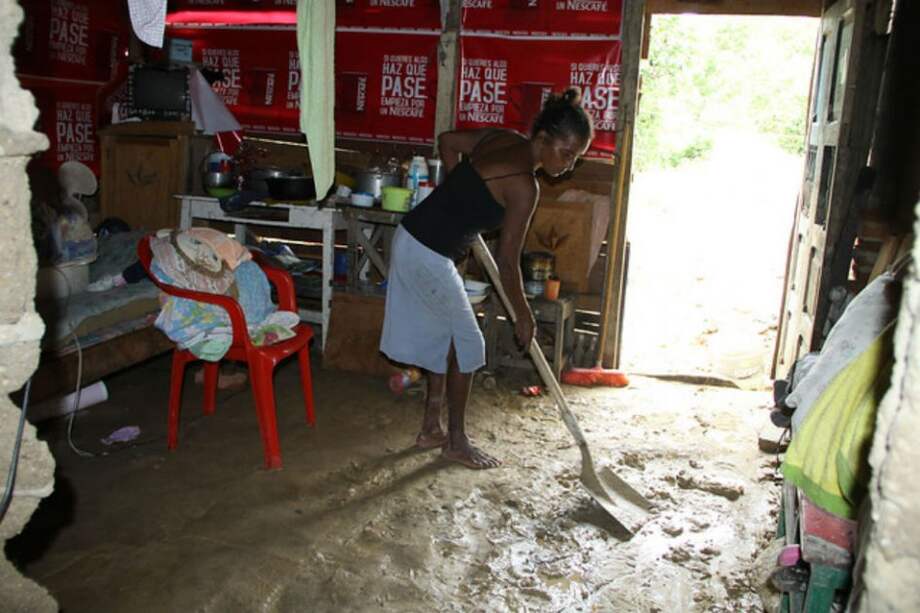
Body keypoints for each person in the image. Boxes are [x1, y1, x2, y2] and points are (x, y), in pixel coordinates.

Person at [379, 88, 593, 469]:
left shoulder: (502, 137)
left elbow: (448, 143)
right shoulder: (525, 187)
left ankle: (432, 427)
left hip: (412, 238)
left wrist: (454, 197)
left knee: (445, 337)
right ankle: (456, 441)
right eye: (565, 152)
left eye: (575, 158)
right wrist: (523, 314)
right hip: (426, 253)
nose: (568, 164)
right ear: (543, 139)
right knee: (467, 342)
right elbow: (507, 262)